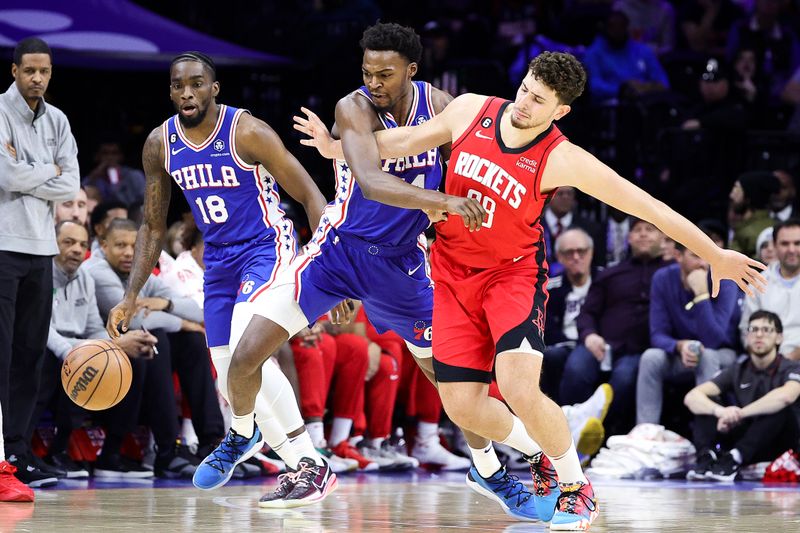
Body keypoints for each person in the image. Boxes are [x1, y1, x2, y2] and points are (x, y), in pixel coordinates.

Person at [296, 50, 765, 530]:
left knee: (519, 385)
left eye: (538, 101)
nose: (523, 104)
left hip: (512, 276)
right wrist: (337, 149)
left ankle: (575, 488)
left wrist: (714, 253)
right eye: (524, 89)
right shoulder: (472, 109)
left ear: (560, 111)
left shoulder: (562, 157)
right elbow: (403, 141)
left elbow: (649, 207)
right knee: (462, 406)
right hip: (453, 273)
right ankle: (542, 448)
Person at [202, 23, 537, 518]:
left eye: (385, 73)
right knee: (243, 356)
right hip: (336, 254)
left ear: (412, 71)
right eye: (367, 72)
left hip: (401, 265)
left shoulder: (442, 108)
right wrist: (441, 200)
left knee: (453, 384)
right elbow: (372, 181)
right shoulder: (352, 108)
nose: (374, 82)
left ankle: (488, 470)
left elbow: (469, 166)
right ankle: (246, 432)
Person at [104, 52, 334, 504]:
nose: (186, 92)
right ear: (170, 91)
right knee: (230, 367)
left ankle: (260, 439)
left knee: (249, 352)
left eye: (196, 83)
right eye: (177, 85)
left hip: (266, 246)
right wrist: (131, 295)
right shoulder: (159, 143)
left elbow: (310, 194)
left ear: (214, 88)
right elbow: (152, 224)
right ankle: (297, 462)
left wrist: (329, 265)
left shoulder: (246, 131)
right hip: (220, 260)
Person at [0, 37, 80, 490]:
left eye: (44, 72)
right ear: (14, 71)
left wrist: (39, 174)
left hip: (40, 249)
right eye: (29, 71)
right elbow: (4, 175)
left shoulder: (59, 120)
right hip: (3, 246)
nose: (37, 79)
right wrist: (46, 172)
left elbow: (71, 182)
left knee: (29, 357)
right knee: (3, 354)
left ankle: (17, 448)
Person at [38, 221, 158, 479]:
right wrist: (79, 352)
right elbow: (42, 328)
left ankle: (112, 453)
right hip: (50, 346)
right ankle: (54, 451)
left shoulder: (85, 278)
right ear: (52, 242)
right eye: (68, 242)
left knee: (129, 360)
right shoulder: (41, 273)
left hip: (78, 347)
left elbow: (93, 327)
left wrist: (113, 346)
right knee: (68, 361)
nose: (77, 250)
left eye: (82, 244)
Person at [684, 311, 800, 481]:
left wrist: (740, 413)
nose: (759, 334)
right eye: (754, 329)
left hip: (780, 441)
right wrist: (721, 412)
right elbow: (692, 397)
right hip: (747, 437)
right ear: (746, 336)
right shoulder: (738, 369)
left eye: (767, 330)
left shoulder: (792, 368)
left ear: (779, 338)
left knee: (779, 406)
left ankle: (734, 458)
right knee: (707, 401)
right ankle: (706, 457)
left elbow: (786, 396)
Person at [636, 236, 740, 426]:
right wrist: (679, 346)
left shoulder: (725, 281)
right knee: (651, 357)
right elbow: (657, 334)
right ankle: (646, 432)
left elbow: (714, 340)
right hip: (682, 355)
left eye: (707, 257)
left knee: (707, 355)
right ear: (678, 256)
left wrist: (701, 295)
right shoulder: (663, 278)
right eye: (695, 256)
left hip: (722, 354)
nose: (703, 264)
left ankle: (706, 435)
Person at [740, 218, 800, 360]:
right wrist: (765, 358)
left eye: (797, 243)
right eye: (785, 244)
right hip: (764, 360)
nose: (792, 250)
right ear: (774, 245)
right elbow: (746, 330)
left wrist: (790, 359)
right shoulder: (757, 282)